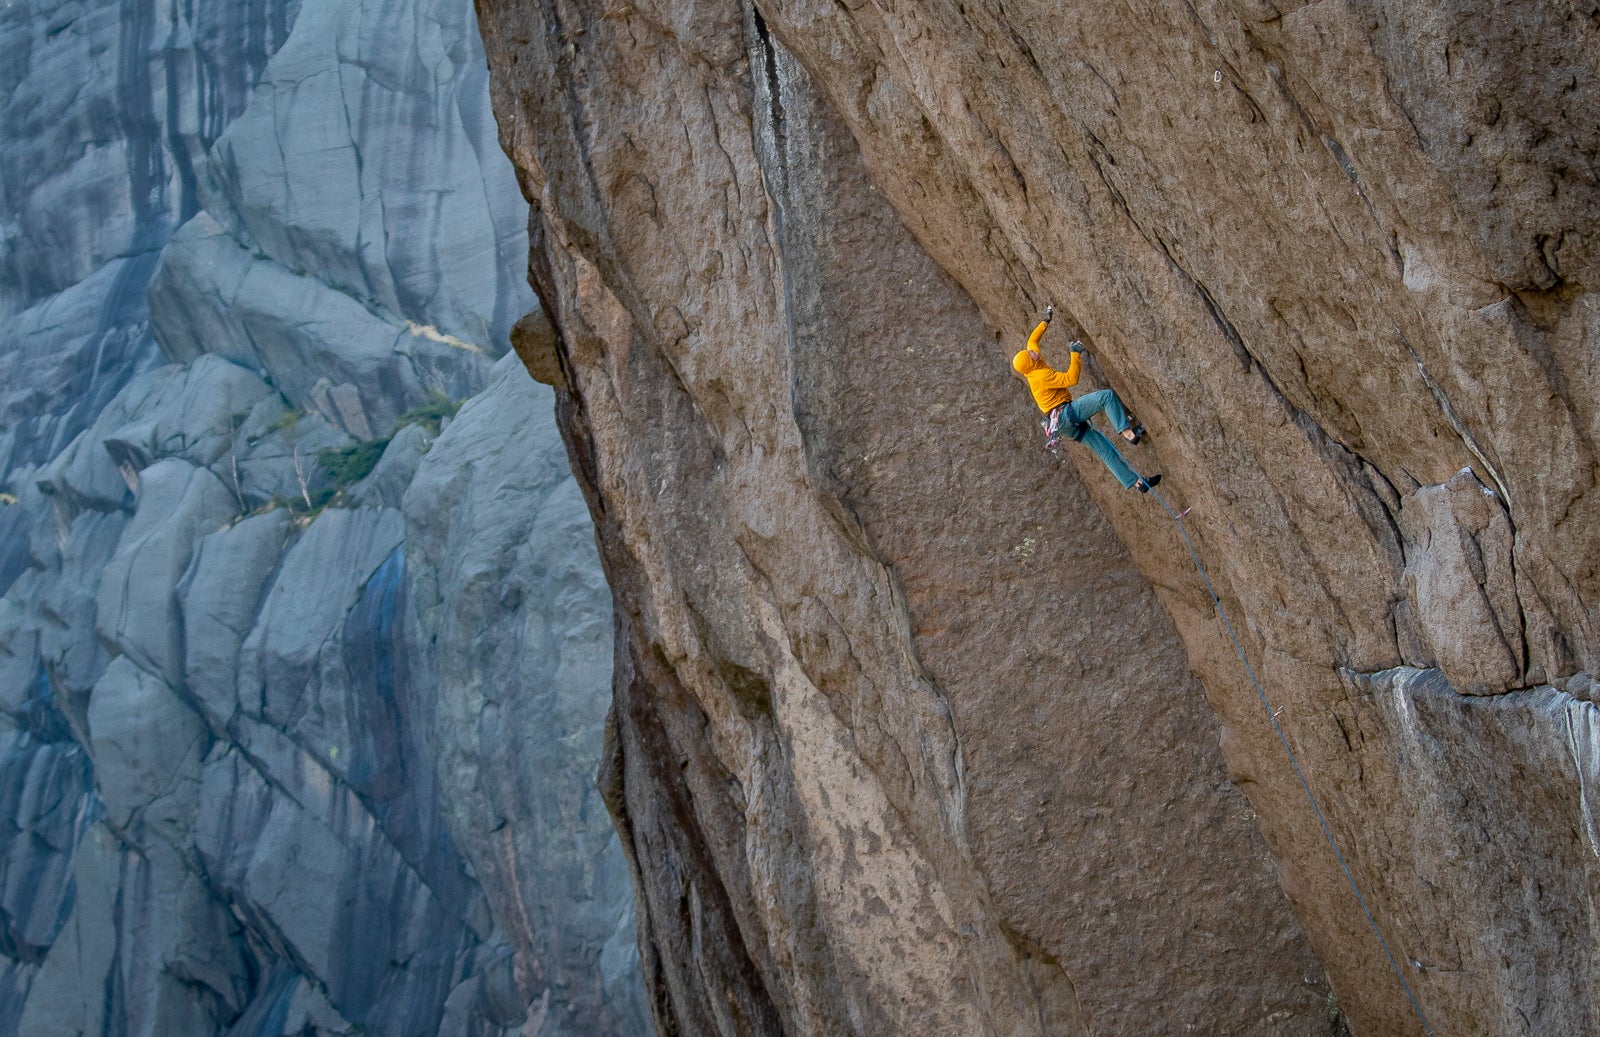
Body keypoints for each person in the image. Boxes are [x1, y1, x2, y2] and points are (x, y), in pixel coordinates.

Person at [1012, 306, 1161, 492]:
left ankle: (1138, 483)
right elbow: (1071, 379)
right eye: (1030, 354)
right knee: (1105, 397)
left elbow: (1032, 340)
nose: (1033, 352)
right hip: (1064, 415)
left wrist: (1045, 321)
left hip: (1060, 425)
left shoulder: (1031, 362)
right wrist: (1075, 354)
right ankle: (1129, 434)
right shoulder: (1040, 376)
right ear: (1030, 362)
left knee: (1104, 451)